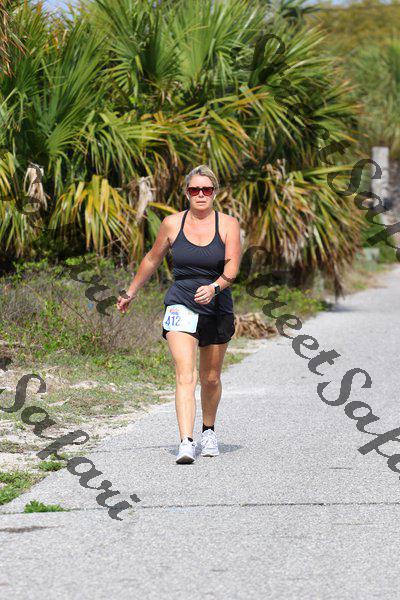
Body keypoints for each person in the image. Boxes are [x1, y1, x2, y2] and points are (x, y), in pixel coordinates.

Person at [117, 165, 242, 464]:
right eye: (194, 189)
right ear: (187, 193)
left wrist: (214, 287)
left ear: (214, 192)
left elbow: (232, 268)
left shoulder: (228, 224)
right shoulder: (172, 223)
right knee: (185, 375)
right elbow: (152, 258)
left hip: (217, 304)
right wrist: (131, 292)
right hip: (181, 303)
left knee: (210, 378)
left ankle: (208, 431)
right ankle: (186, 441)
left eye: (206, 189)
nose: (200, 194)